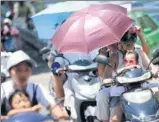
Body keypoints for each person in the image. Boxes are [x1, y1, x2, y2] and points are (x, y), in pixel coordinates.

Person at [95, 27, 157, 122]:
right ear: (120, 43)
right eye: (126, 44)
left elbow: (150, 65)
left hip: (142, 88)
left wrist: (154, 70)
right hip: (120, 92)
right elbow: (106, 76)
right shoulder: (115, 56)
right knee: (114, 119)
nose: (130, 47)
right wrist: (108, 80)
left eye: (131, 43)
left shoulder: (139, 51)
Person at [1, 50, 68, 121]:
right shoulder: (3, 89)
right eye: (18, 70)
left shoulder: (36, 87)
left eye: (27, 69)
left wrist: (61, 117)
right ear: (9, 72)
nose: (23, 74)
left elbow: (51, 106)